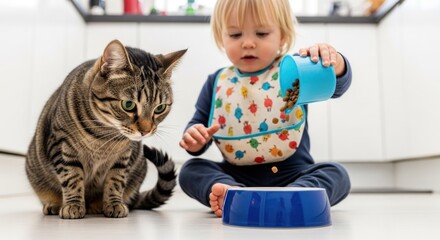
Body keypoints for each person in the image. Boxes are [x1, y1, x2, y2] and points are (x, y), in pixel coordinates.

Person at [179, 0, 352, 217]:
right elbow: (198, 124)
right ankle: (231, 195)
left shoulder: (294, 70)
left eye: (261, 33)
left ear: (283, 36)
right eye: (235, 35)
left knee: (336, 173)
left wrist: (335, 65)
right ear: (221, 37)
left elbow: (336, 87)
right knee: (190, 170)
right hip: (237, 177)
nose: (248, 43)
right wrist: (194, 138)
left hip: (294, 175)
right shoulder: (217, 82)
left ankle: (296, 195)